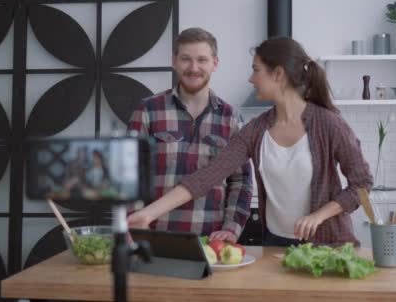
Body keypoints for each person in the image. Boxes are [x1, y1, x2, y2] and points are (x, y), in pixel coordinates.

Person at [129, 37, 373, 246]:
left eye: (256, 70)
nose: (250, 78)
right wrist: (148, 214)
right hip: (274, 244)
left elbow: (361, 184)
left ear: (277, 74)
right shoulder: (256, 130)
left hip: (328, 245)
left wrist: (319, 215)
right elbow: (208, 176)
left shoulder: (328, 124)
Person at [127, 27, 252, 243]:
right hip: (154, 237)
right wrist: (136, 223)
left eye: (202, 60)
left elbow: (241, 180)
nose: (194, 68)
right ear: (174, 61)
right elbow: (128, 174)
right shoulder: (148, 110)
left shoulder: (231, 118)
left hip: (211, 242)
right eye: (186, 59)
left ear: (215, 63)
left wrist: (231, 228)